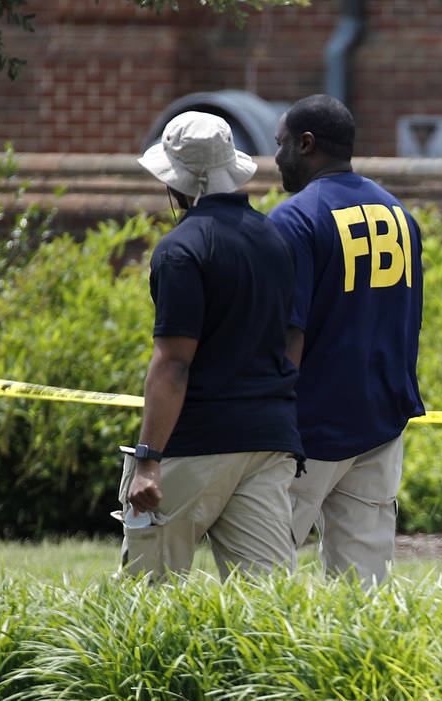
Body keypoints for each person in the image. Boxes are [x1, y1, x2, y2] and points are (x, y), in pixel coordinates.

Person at [118, 110, 304, 581]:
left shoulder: (181, 250)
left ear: (181, 182)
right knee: (268, 610)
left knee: (150, 593)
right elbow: (293, 337)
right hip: (269, 442)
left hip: (198, 443)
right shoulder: (276, 238)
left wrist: (147, 461)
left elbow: (174, 364)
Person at [268, 94, 425, 586]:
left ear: (307, 145)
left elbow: (289, 331)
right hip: (381, 421)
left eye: (281, 145)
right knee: (365, 590)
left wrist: (270, 420)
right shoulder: (398, 213)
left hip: (309, 426)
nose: (275, 157)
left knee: (260, 574)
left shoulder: (293, 218)